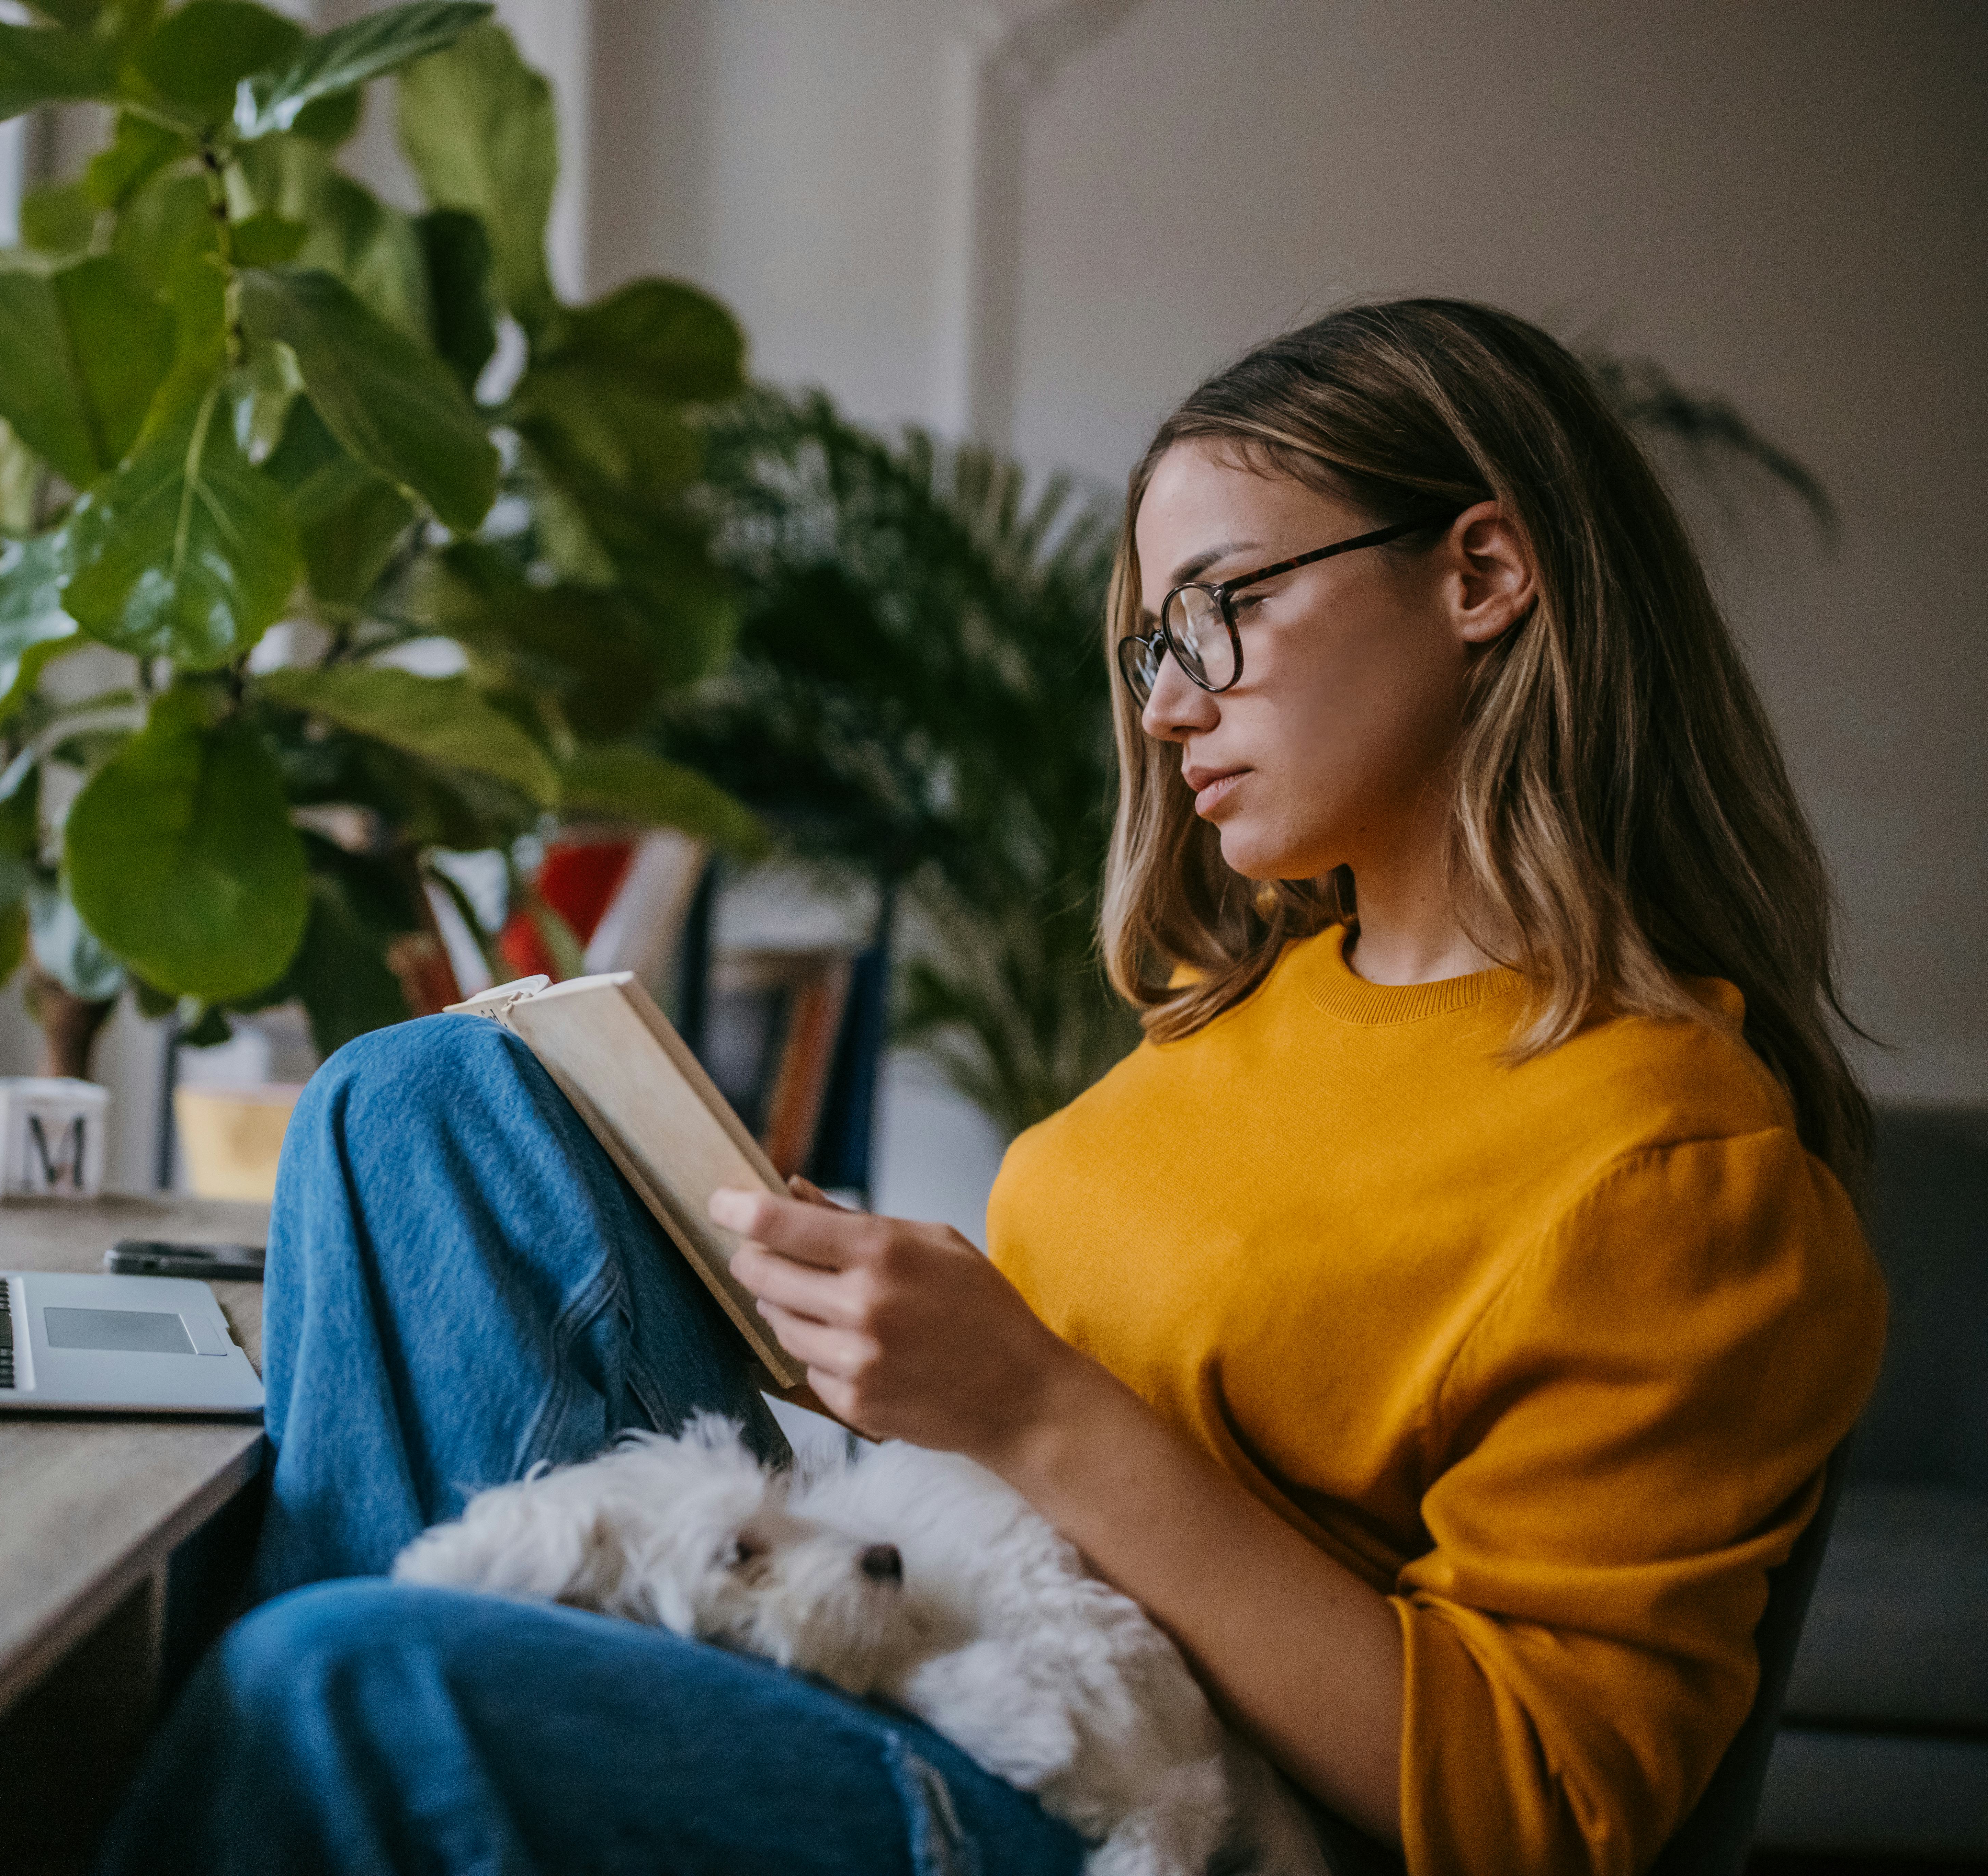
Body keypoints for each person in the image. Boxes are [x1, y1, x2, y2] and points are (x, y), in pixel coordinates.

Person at [98, 298, 1885, 1876]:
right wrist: (873, 1322)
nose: (1168, 707)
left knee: (334, 1681)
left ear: (1483, 575)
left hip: (1143, 1807)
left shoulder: (1669, 1164)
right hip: (943, 1599)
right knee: (418, 1099)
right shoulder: (1247, 999)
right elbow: (1103, 1395)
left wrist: (1029, 1404)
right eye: (1157, 643)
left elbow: (1536, 1813)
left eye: (1225, 608)